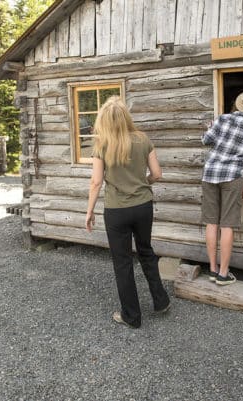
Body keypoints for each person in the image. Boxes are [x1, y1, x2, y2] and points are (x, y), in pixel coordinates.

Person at [85, 96, 170, 329]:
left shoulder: (102, 146)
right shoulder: (143, 139)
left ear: (104, 120)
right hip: (143, 207)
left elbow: (96, 182)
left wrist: (89, 211)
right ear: (125, 117)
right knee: (146, 252)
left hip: (117, 211)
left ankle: (131, 316)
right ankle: (160, 300)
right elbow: (157, 174)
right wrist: (144, 183)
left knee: (122, 263)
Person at [201, 91, 243, 285]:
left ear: (236, 104)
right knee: (227, 225)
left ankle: (212, 270)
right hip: (232, 176)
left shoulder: (222, 119)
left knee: (212, 223)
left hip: (210, 173)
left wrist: (210, 127)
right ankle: (223, 274)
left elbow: (205, 140)